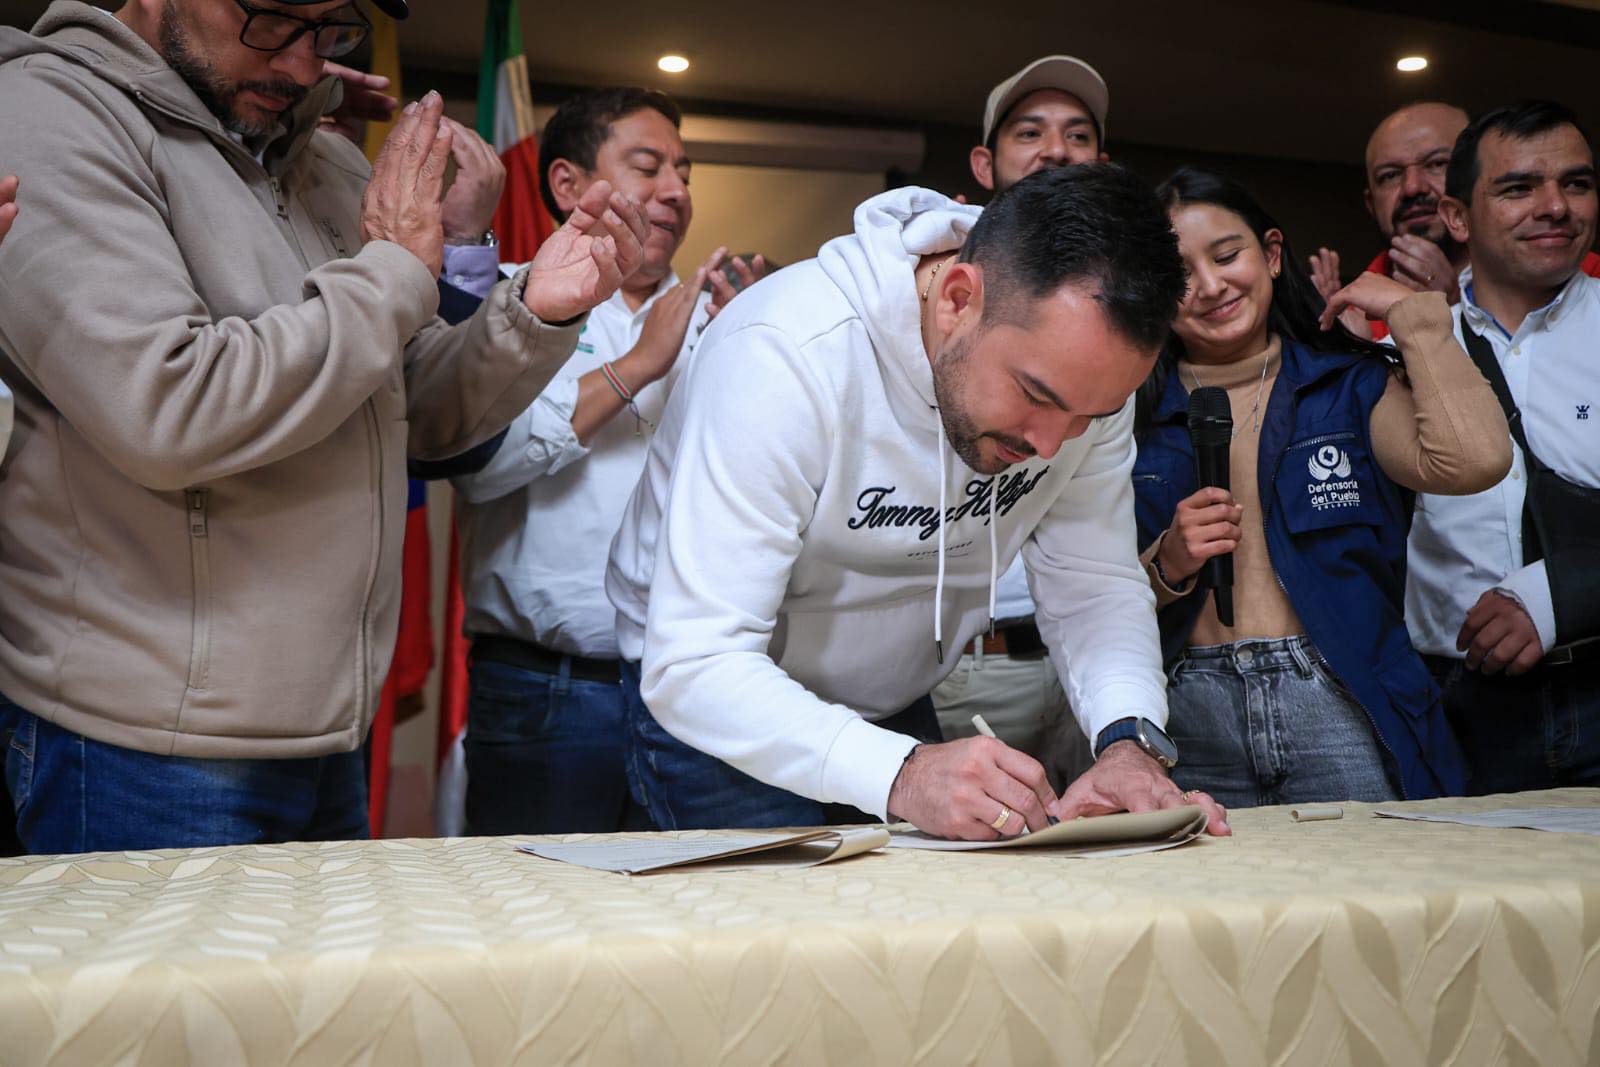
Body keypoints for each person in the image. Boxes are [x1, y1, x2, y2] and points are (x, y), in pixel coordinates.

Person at [0, 0, 648, 854]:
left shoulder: (327, 161)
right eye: (272, 20)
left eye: (330, 30)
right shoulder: (43, 112)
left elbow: (413, 415)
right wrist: (391, 269)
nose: (304, 67)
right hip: (142, 742)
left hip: (329, 737)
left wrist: (531, 314)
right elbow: (168, 407)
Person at [606, 164, 1234, 841]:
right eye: (1037, 396)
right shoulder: (784, 353)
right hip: (718, 708)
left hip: (893, 704)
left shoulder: (1085, 382)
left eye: (1092, 416)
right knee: (790, 939)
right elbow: (695, 662)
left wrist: (1127, 742)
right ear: (958, 299)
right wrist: (903, 773)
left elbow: (1096, 585)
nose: (1053, 444)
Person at [1132, 167, 1510, 807]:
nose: (1209, 285)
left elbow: (1475, 460)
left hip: (1340, 693)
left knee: (1372, 900)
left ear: (1272, 254)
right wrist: (1168, 563)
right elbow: (1087, 601)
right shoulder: (1125, 416)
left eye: (1227, 256)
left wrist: (1415, 319)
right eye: (1178, 274)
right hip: (1188, 706)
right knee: (1210, 907)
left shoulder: (1348, 385)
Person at [447, 87, 758, 835]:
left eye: (685, 172)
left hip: (694, 683)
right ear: (567, 185)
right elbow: (479, 463)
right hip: (546, 691)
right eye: (648, 166)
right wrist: (640, 365)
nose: (677, 192)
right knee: (536, 930)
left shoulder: (719, 316)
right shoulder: (503, 298)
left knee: (684, 929)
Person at [1407, 100, 1600, 792]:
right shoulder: (1408, 352)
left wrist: (1559, 594)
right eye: (1518, 188)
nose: (1555, 206)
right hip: (1448, 712)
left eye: (1576, 184)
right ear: (1457, 217)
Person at [929, 57, 1109, 792]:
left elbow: (1096, 560)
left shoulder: (1122, 312)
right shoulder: (938, 293)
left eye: (1078, 135)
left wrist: (1127, 724)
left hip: (1079, 663)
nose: (1055, 151)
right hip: (964, 666)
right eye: (1030, 133)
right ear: (986, 163)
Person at [1312, 103, 1600, 339]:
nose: (1413, 187)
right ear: (1371, 204)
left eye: (1437, 164)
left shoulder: (1586, 274)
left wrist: (1453, 311)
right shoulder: (1354, 309)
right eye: (1390, 175)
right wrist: (1349, 357)